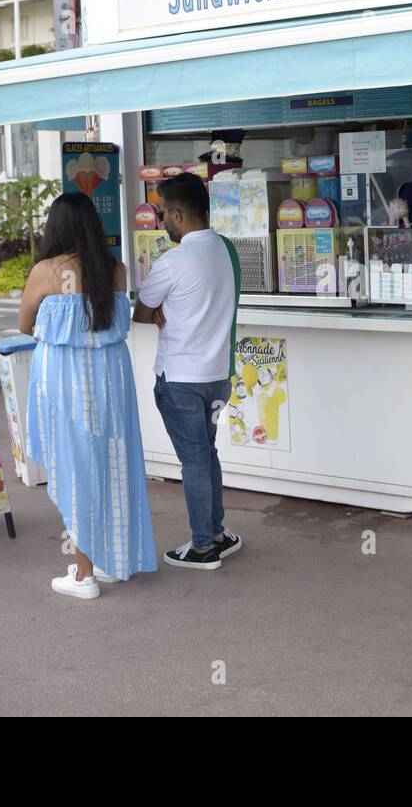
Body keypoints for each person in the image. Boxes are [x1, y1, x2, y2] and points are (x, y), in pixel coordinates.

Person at [20, 192, 159, 599]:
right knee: (113, 463)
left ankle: (84, 575)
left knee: (74, 467)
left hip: (65, 380)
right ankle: (111, 560)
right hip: (111, 379)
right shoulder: (113, 269)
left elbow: (26, 322)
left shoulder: (46, 271)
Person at [133, 172, 243, 570]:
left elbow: (142, 313)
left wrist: (162, 309)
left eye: (162, 212)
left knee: (194, 460)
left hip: (180, 379)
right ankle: (216, 533)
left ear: (177, 215)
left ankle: (202, 547)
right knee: (206, 454)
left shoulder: (173, 261)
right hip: (217, 375)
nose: (161, 220)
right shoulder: (227, 250)